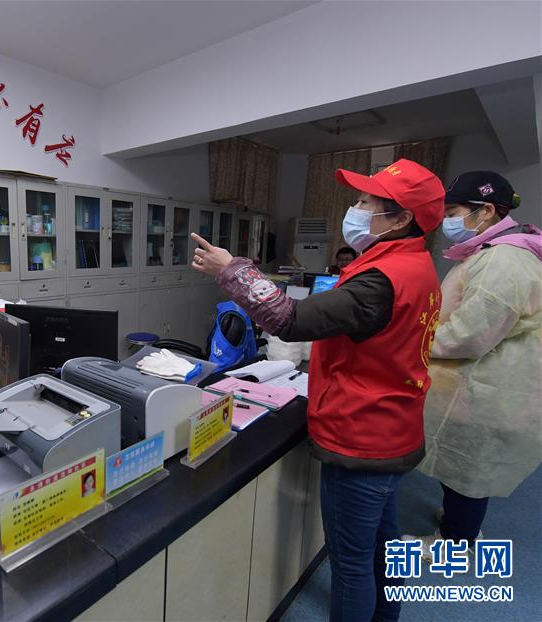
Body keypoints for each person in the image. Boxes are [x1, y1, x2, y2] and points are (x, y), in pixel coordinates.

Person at [191, 159, 445, 622]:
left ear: (402, 218)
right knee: (382, 552)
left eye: (367, 202)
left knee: (352, 563)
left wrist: (232, 270)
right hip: (395, 426)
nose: (356, 208)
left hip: (363, 437)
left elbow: (290, 319)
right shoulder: (413, 264)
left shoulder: (382, 279)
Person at [407, 172, 541, 554]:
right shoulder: (496, 252)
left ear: (485, 212)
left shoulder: (503, 259)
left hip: (485, 388)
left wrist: (414, 341)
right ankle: (458, 524)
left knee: (467, 467)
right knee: (459, 467)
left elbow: (471, 333)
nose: (447, 220)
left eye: (453, 211)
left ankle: (457, 542)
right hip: (483, 382)